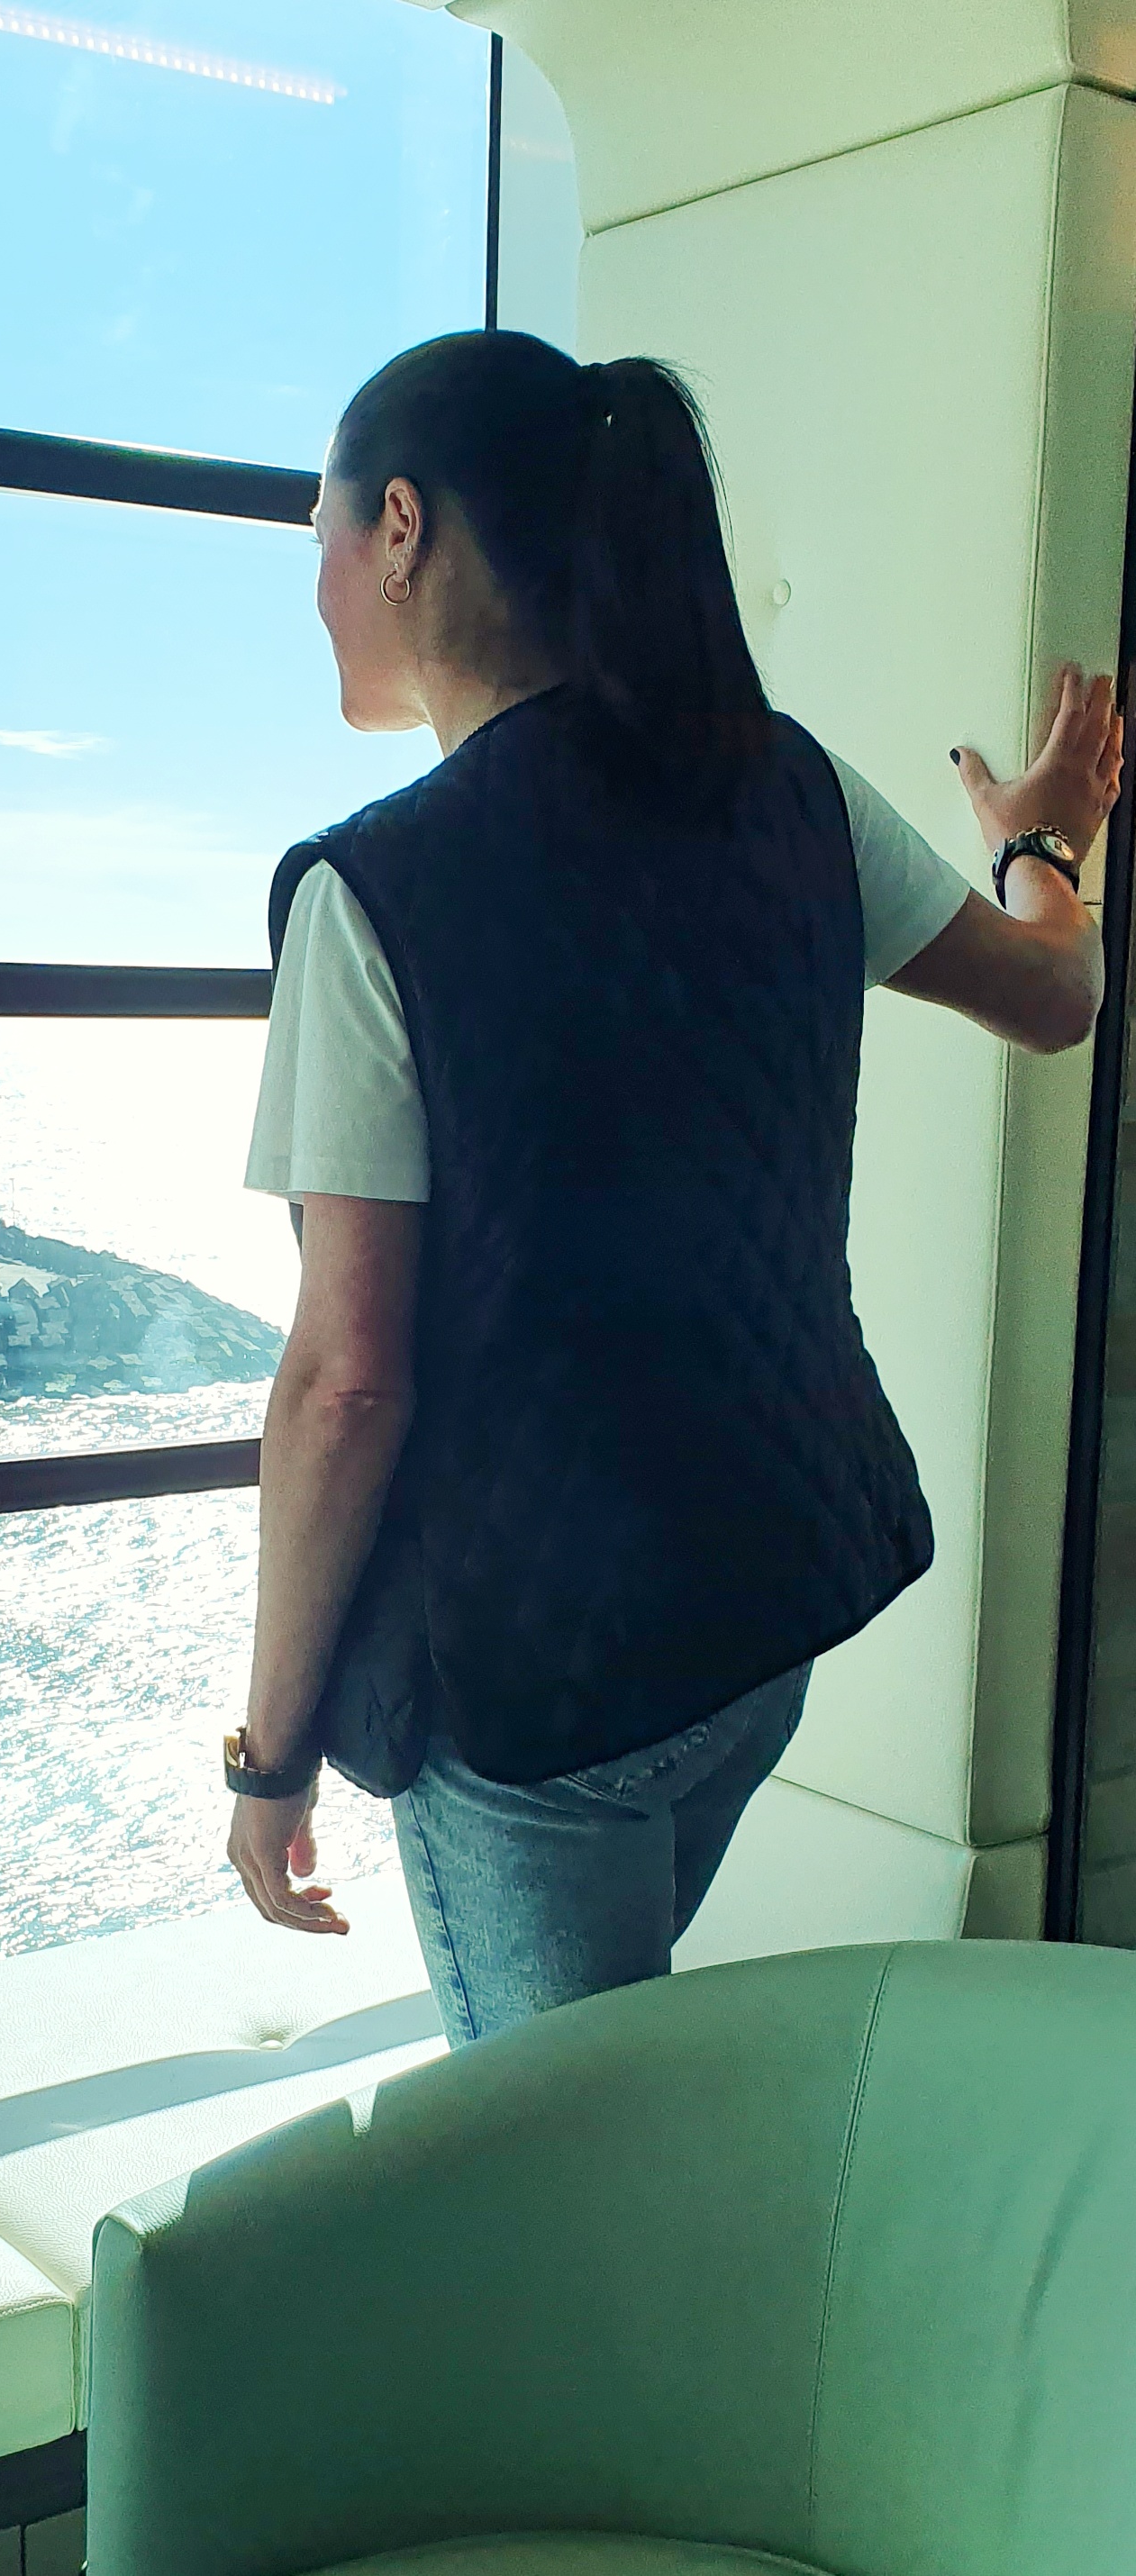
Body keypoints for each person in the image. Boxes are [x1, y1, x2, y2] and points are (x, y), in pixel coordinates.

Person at [223, 329, 1121, 2046]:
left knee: (564, 2147)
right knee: (622, 2077)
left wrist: (268, 1759)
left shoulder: (375, 894)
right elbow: (1057, 994)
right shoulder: (788, 789)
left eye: (318, 533)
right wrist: (1042, 842)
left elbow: (345, 1383)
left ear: (402, 527)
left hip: (549, 1684)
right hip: (764, 1613)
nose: (314, 583)